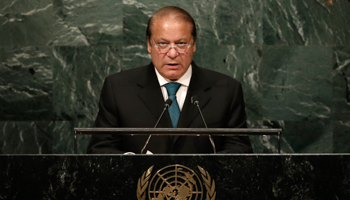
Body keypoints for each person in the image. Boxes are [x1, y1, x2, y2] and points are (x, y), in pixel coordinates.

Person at [87, 6, 252, 154]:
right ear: (149, 45)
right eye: (162, 44)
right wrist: (131, 165)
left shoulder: (226, 90)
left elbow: (240, 150)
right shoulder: (119, 88)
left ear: (193, 44)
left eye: (181, 43)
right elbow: (99, 149)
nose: (172, 53)